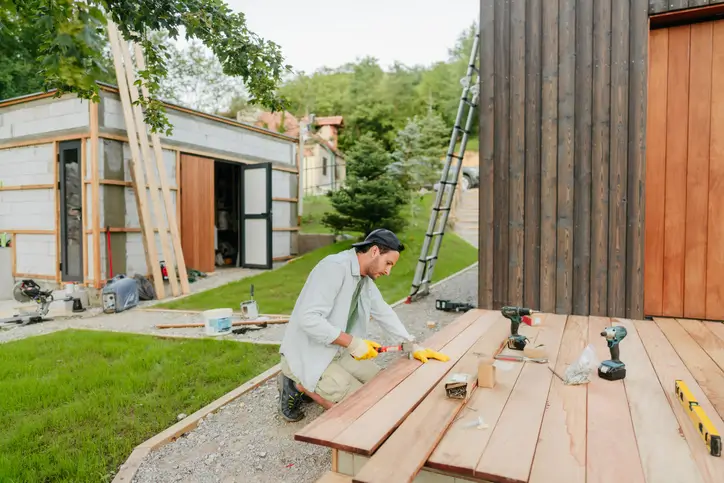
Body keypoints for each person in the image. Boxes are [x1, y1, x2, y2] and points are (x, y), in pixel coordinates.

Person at [277, 228, 450, 422]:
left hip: (336, 350)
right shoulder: (333, 268)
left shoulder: (363, 279)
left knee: (382, 385)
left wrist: (411, 344)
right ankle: (296, 384)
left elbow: (383, 312)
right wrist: (353, 343)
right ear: (375, 251)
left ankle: (312, 384)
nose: (388, 271)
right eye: (388, 263)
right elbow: (308, 319)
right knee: (359, 407)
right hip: (308, 354)